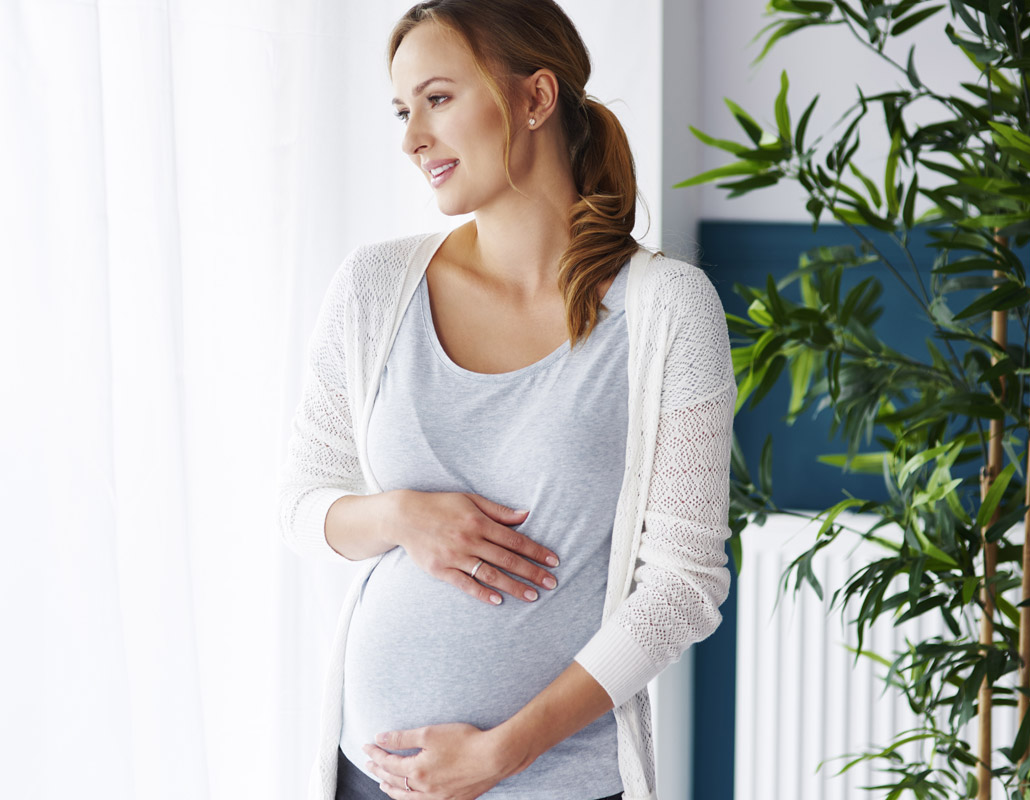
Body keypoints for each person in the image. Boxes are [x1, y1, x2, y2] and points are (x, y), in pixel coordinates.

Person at [277, 1, 736, 797]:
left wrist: (503, 754)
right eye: (402, 109)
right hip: (374, 775)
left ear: (535, 98)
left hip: (558, 781)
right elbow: (302, 505)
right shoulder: (375, 288)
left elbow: (682, 587)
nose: (412, 137)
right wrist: (402, 516)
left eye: (438, 98)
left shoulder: (668, 311)